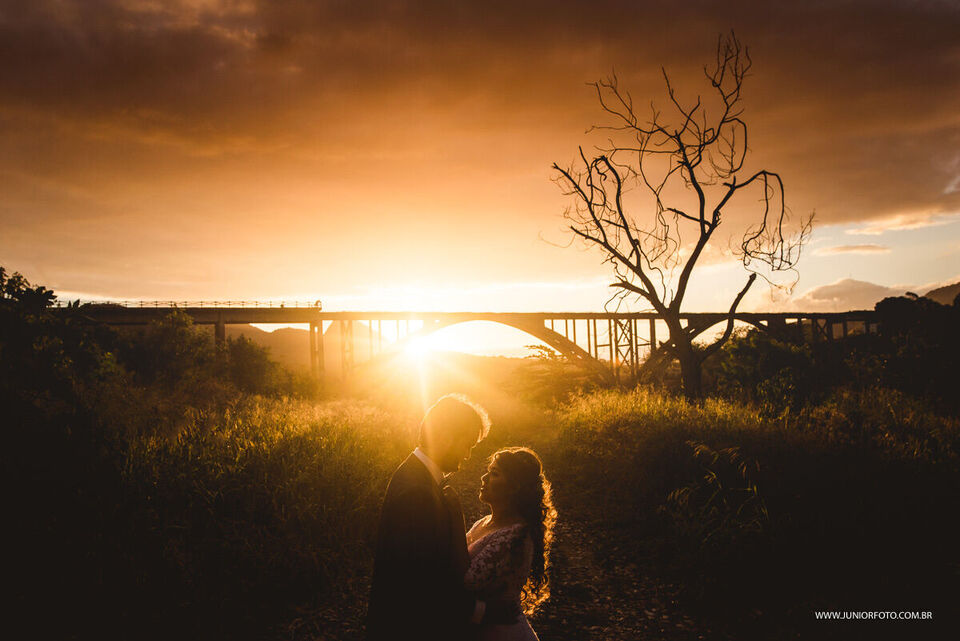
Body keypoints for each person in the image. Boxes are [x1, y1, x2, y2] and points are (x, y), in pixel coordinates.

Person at [366, 395, 519, 641]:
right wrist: (485, 611)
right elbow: (422, 587)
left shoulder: (415, 476)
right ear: (446, 437)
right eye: (467, 444)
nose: (468, 455)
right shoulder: (418, 493)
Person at [465, 447, 557, 641]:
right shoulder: (484, 521)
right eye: (488, 471)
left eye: (494, 473)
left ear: (514, 487)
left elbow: (463, 584)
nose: (484, 478)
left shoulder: (515, 537)